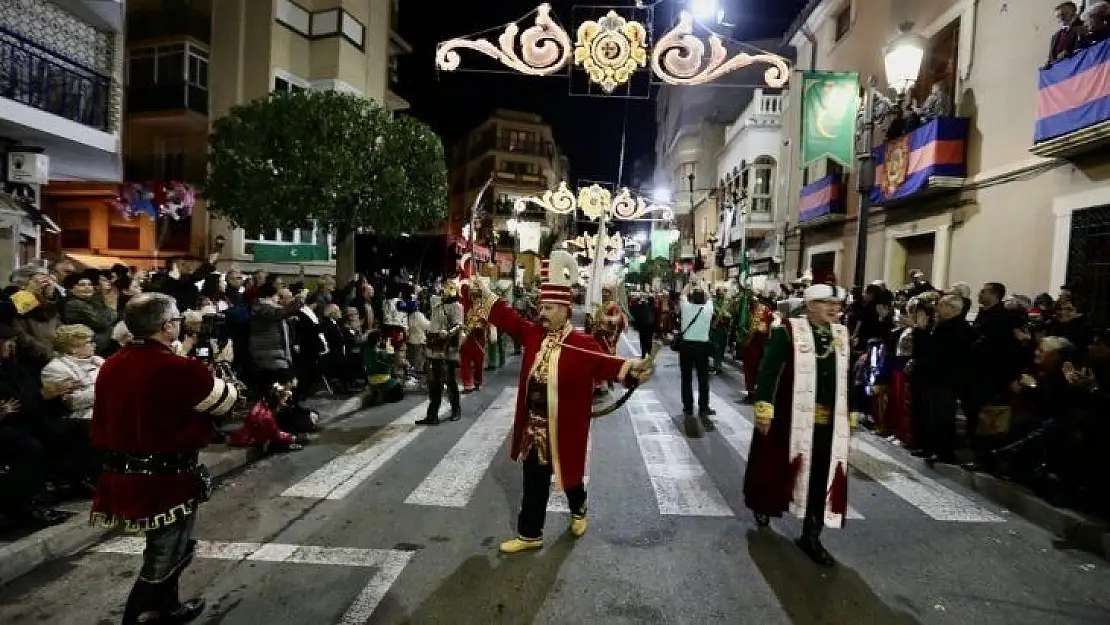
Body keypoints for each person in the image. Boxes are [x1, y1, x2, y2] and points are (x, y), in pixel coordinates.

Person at [470, 250, 653, 554]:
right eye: (541, 306)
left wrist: (633, 372)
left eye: (549, 307)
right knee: (534, 479)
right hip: (534, 426)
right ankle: (530, 534)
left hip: (565, 425)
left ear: (565, 310)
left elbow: (609, 366)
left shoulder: (583, 344)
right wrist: (486, 293)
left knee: (569, 477)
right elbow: (509, 318)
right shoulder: (533, 335)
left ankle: (579, 508)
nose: (542, 313)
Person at [90, 293, 242, 624]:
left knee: (168, 548)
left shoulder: (112, 363)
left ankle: (167, 608)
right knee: (166, 552)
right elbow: (229, 403)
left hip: (121, 470)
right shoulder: (178, 367)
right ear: (165, 326)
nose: (180, 324)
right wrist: (224, 365)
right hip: (164, 476)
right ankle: (136, 617)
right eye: (176, 320)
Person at [742, 281, 852, 567]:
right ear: (811, 305)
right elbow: (769, 371)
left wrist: (851, 412)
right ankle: (763, 505)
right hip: (789, 417)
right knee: (774, 465)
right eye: (827, 303)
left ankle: (811, 537)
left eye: (837, 305)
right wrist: (765, 409)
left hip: (828, 422)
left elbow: (846, 378)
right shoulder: (788, 332)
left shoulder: (841, 335)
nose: (834, 309)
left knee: (820, 476)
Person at [417, 281, 464, 425]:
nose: (443, 292)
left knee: (450, 381)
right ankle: (432, 415)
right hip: (434, 347)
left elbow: (458, 325)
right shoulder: (436, 303)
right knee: (434, 383)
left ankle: (456, 410)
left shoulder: (456, 306)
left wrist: (448, 333)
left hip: (448, 349)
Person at [678, 280, 716, 432]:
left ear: (692, 298)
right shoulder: (708, 309)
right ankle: (703, 407)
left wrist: (689, 283)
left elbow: (682, 294)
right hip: (702, 347)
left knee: (686, 378)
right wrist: (703, 285)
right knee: (703, 378)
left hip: (686, 346)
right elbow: (710, 298)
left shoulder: (686, 307)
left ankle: (688, 408)